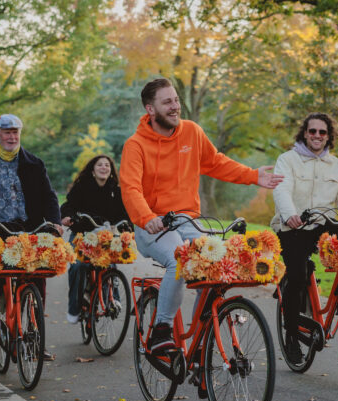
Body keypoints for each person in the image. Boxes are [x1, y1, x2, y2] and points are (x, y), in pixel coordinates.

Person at [120, 78, 284, 354]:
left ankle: (201, 339)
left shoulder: (191, 132)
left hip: (188, 220)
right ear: (150, 109)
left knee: (216, 264)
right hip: (153, 226)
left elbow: (215, 162)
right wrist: (147, 217)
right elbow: (131, 188)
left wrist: (253, 176)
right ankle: (162, 330)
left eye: (176, 100)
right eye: (167, 102)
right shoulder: (136, 145)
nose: (175, 107)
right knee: (180, 260)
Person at [271, 112, 338, 363]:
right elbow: (281, 189)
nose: (317, 136)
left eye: (322, 132)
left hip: (323, 225)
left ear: (329, 136)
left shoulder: (337, 166)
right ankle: (292, 335)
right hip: (292, 227)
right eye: (312, 131)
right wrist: (289, 215)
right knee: (297, 276)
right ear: (304, 134)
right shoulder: (288, 160)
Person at [0, 114, 62, 360]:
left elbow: (49, 195)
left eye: (15, 132)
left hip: (29, 226)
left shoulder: (34, 164)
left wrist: (55, 222)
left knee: (37, 276)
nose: (11, 136)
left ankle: (35, 336)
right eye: (6, 132)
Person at [60, 154, 130, 324]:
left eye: (107, 165)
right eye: (100, 165)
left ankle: (112, 300)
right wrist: (68, 217)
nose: (104, 167)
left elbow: (124, 213)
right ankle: (75, 307)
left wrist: (126, 226)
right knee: (78, 266)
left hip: (105, 234)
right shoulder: (81, 187)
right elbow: (68, 205)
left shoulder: (116, 190)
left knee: (110, 260)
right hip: (81, 234)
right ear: (93, 170)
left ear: (111, 170)